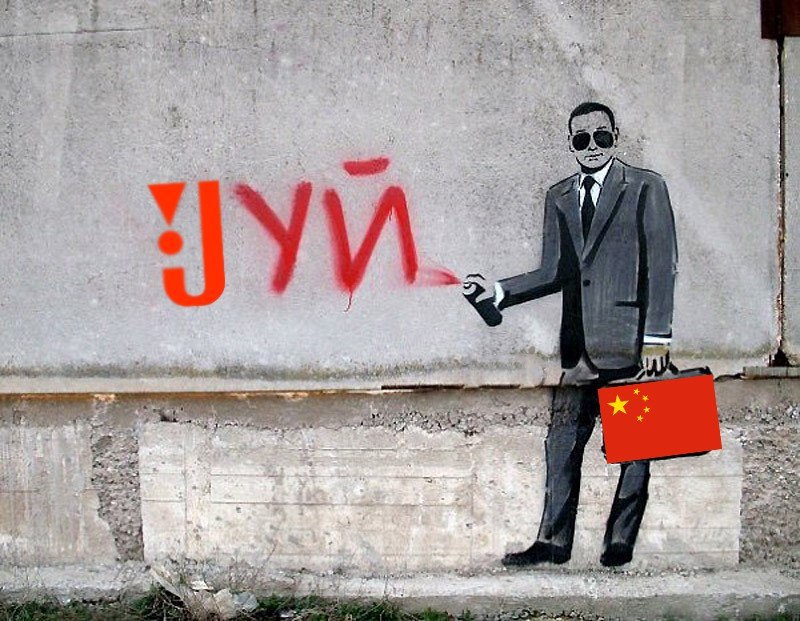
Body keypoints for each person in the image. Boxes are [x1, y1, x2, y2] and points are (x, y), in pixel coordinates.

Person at [465, 102, 678, 567]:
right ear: (570, 144)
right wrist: (497, 291)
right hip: (578, 348)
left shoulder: (646, 187)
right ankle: (553, 542)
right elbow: (554, 270)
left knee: (637, 447)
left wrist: (657, 336)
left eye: (601, 137)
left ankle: (620, 542)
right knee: (561, 443)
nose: (592, 146)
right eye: (582, 139)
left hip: (631, 341)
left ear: (615, 137)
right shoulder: (559, 196)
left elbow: (662, 265)